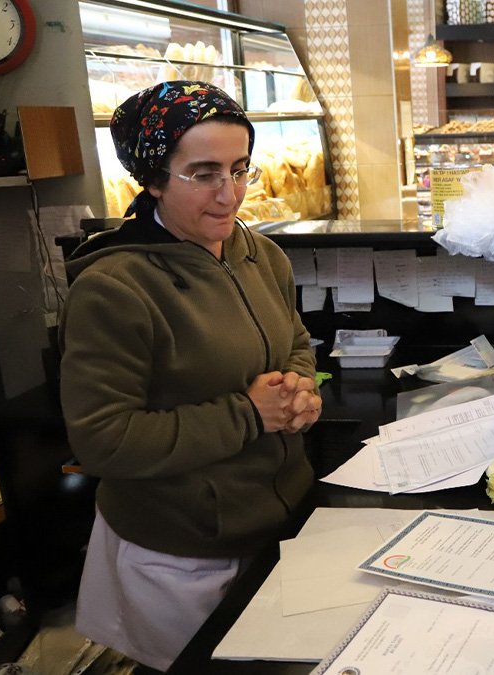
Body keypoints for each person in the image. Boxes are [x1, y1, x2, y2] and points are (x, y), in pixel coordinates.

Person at [59, 81, 321, 671]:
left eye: (240, 168)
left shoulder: (260, 254)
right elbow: (104, 442)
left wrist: (300, 390)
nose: (230, 195)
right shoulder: (115, 288)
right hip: (181, 554)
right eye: (203, 173)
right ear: (152, 178)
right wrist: (250, 413)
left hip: (279, 525)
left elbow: (296, 343)